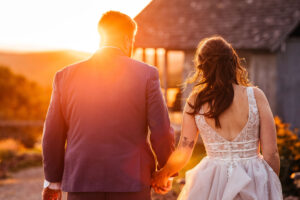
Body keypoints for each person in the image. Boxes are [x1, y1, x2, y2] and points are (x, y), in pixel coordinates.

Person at [42, 11, 175, 200]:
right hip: (132, 182)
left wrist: (53, 182)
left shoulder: (64, 76)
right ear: (128, 39)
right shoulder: (147, 75)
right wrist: (164, 171)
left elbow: (52, 134)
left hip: (82, 179)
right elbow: (161, 130)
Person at [151, 36, 283, 199]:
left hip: (211, 181)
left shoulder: (196, 101)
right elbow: (271, 153)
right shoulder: (256, 96)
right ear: (233, 62)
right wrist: (270, 188)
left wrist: (163, 174)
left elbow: (184, 151)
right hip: (253, 181)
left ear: (202, 66)